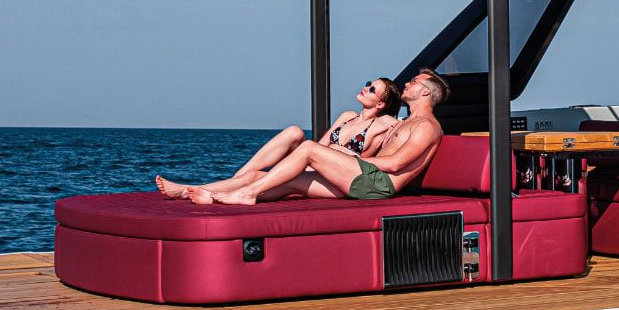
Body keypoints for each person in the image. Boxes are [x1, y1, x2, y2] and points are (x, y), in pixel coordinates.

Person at [198, 71, 448, 204]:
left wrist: (352, 158)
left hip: (378, 185)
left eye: (414, 81)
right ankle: (207, 195)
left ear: (425, 91)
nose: (408, 83)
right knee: (286, 180)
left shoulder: (427, 126)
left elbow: (395, 164)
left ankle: (247, 194)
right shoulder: (408, 122)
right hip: (366, 179)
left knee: (308, 148)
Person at [155, 78, 398, 202]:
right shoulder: (347, 116)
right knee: (294, 132)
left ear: (381, 104)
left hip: (340, 181)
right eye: (368, 84)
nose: (366, 88)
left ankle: (191, 192)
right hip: (318, 166)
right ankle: (227, 184)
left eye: (373, 90)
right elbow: (321, 146)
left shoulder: (384, 124)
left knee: (255, 178)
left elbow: (373, 161)